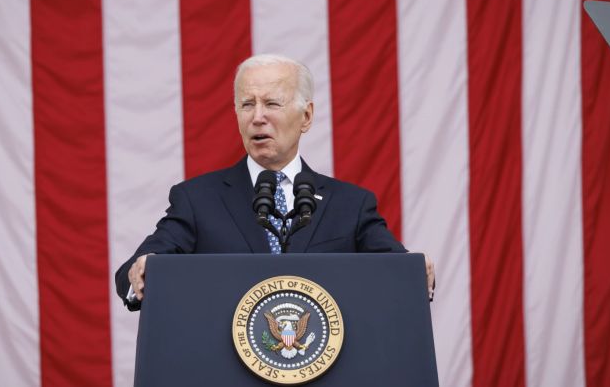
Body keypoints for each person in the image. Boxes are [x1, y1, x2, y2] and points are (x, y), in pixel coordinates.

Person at [115, 54, 435, 310]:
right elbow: (132, 274)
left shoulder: (351, 205)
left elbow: (398, 270)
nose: (257, 117)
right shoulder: (197, 200)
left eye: (271, 103)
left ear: (306, 117)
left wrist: (416, 271)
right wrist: (142, 271)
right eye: (247, 104)